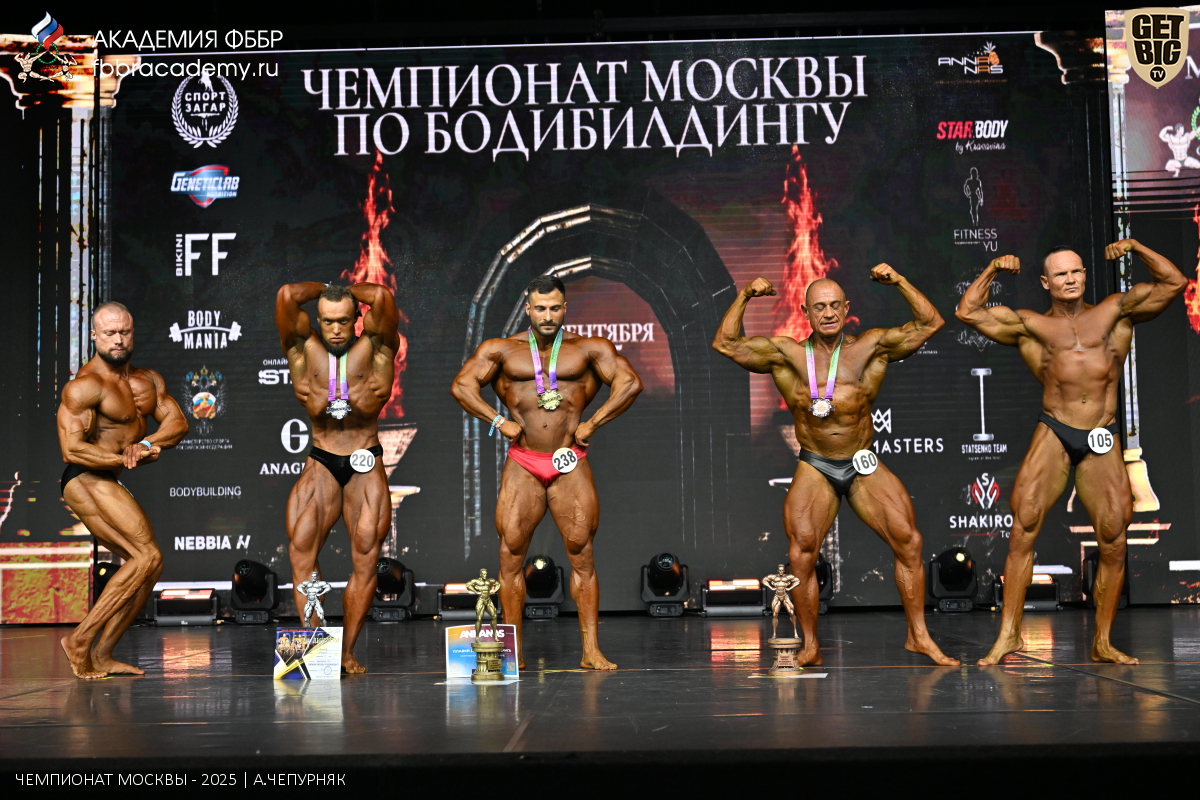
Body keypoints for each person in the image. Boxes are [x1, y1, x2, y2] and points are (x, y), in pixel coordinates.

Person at [713, 266, 959, 666]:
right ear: (805, 313)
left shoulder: (870, 348)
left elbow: (930, 323)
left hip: (861, 461)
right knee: (802, 553)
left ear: (846, 309)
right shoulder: (787, 355)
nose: (827, 313)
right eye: (819, 307)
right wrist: (745, 296)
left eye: (834, 306)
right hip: (816, 464)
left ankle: (918, 636)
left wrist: (899, 281)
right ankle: (810, 645)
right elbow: (725, 343)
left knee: (909, 541)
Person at [956, 242, 1186, 665]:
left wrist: (1135, 247)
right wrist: (992, 268)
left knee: (1114, 538)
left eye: (1076, 271)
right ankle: (1009, 635)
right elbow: (968, 312)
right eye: (1061, 274)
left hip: (1102, 433)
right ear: (1046, 282)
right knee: (1024, 525)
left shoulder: (1115, 312)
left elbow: (1174, 283)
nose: (1070, 279)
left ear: (1084, 274)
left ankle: (1103, 641)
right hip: (1055, 429)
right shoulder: (1031, 325)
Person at [451, 275, 642, 670]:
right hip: (523, 461)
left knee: (582, 554)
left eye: (555, 308)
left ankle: (591, 651)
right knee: (510, 556)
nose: (548, 315)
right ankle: (512, 652)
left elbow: (629, 382)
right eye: (540, 308)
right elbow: (462, 386)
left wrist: (593, 422)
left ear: (565, 308)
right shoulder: (501, 350)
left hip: (569, 460)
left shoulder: (588, 349)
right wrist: (497, 421)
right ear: (528, 309)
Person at [56, 302, 189, 679]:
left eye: (124, 332)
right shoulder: (84, 387)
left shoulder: (147, 381)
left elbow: (177, 423)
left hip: (107, 478)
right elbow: (72, 449)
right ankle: (79, 641)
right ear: (94, 336)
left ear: (133, 334)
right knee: (146, 555)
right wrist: (122, 458)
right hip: (83, 477)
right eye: (110, 333)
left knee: (150, 565)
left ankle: (102, 654)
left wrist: (145, 444)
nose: (118, 339)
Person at [275, 281, 401, 673]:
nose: (335, 329)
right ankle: (315, 651)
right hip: (321, 458)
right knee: (301, 549)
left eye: (344, 321)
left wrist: (345, 289)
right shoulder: (302, 348)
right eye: (327, 321)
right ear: (317, 319)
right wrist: (325, 289)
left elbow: (382, 298)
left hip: (365, 458)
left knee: (366, 554)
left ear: (356, 319)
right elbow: (286, 296)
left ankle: (345, 652)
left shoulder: (377, 347)